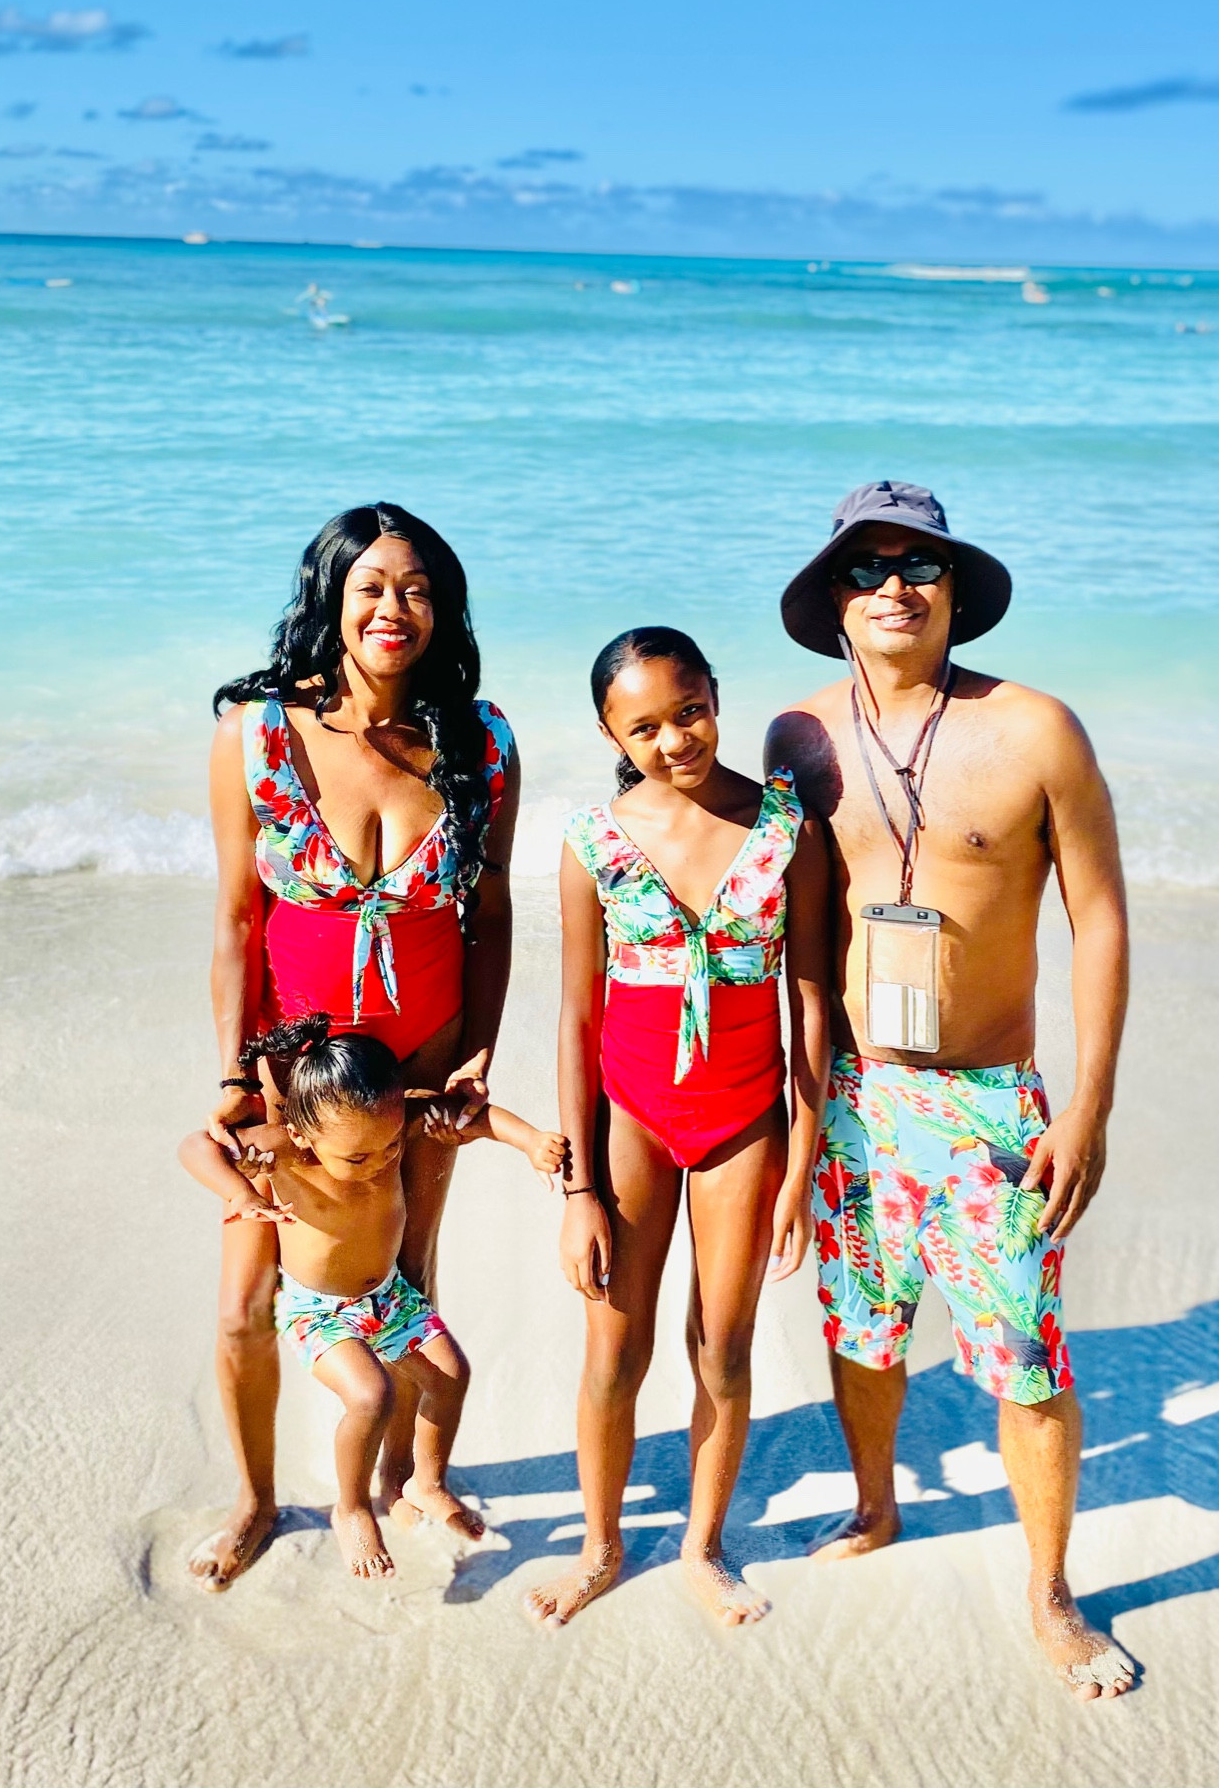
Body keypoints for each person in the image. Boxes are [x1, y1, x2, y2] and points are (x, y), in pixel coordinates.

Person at [766, 480, 1135, 1701]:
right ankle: (876, 1502)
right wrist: (797, 1108)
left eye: (919, 564)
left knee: (1027, 1355)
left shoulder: (1034, 729)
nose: (894, 586)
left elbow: (1099, 916)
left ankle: (1049, 1587)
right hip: (858, 1097)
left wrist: (1087, 1106)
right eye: (866, 568)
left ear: (956, 590)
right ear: (832, 599)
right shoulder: (797, 736)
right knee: (860, 1327)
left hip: (990, 1103)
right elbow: (797, 934)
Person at [192, 501, 519, 1590]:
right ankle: (253, 1498)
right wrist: (236, 1074)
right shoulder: (260, 734)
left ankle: (397, 1480)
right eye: (371, 586)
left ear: (444, 610)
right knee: (245, 1304)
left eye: (418, 589)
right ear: (328, 595)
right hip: (294, 1073)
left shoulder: (480, 740)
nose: (394, 608)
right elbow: (236, 917)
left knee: (405, 1282)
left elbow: (491, 912)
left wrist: (478, 1052)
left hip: (421, 1062)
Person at [525, 627, 831, 1630]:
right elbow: (576, 1017)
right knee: (613, 1353)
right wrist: (578, 1191)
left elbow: (810, 1003)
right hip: (631, 1119)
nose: (674, 740)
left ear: (715, 697)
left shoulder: (785, 828)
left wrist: (799, 1165)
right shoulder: (593, 841)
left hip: (745, 1120)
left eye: (689, 712)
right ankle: (599, 1546)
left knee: (723, 1349)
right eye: (645, 727)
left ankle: (703, 1546)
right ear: (611, 733)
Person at [179, 1014, 564, 1579]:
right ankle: (352, 1508)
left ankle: (426, 1481)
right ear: (304, 1135)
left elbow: (474, 1117)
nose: (381, 1161)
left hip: (388, 1296)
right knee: (371, 1397)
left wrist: (530, 1141)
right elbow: (196, 1147)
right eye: (358, 1158)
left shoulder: (394, 1121)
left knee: (451, 1375)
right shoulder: (287, 1148)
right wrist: (239, 1190)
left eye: (390, 1146)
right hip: (319, 1310)